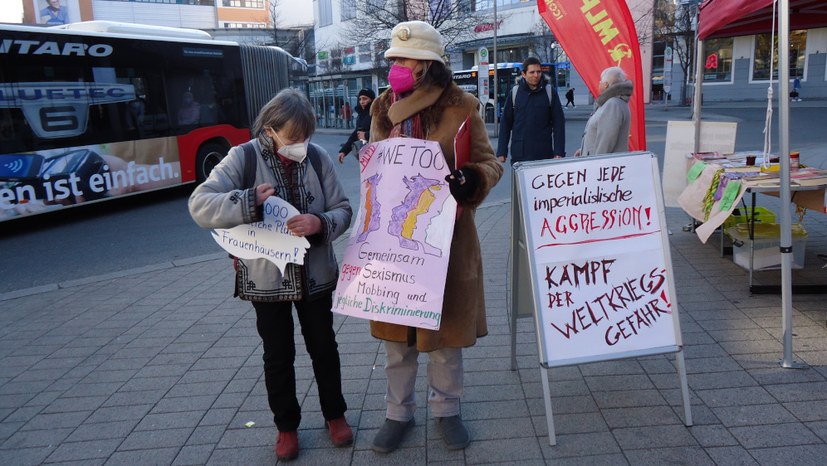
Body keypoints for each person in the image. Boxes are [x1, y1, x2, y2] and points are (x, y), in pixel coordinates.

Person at [188, 89, 354, 461]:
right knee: (277, 355)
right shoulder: (242, 157)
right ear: (270, 129)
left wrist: (319, 222)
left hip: (316, 275)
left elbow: (343, 209)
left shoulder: (317, 156)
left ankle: (335, 415)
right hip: (266, 279)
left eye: (305, 136)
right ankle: (286, 426)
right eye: (293, 137)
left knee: (324, 348)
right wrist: (249, 200)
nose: (301, 145)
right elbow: (200, 204)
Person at [368, 20, 503, 454]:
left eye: (404, 59)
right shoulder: (382, 107)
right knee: (396, 340)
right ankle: (398, 414)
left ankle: (446, 410)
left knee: (444, 339)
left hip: (446, 243)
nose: (396, 66)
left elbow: (489, 162)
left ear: (428, 64)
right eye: (393, 59)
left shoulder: (461, 105)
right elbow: (375, 166)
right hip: (394, 242)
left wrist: (471, 180)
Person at [496, 56, 566, 164]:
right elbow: (505, 123)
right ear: (524, 74)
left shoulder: (549, 92)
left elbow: (559, 123)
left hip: (544, 154)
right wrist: (501, 151)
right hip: (520, 155)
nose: (536, 75)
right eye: (532, 72)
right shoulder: (515, 93)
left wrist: (559, 152)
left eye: (539, 72)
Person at [576, 66, 633, 157]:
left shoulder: (613, 105)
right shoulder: (613, 102)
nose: (599, 83)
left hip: (602, 166)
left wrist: (595, 163)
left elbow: (605, 142)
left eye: (601, 81)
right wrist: (584, 150)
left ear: (606, 84)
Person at [337, 89, 375, 163]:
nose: (362, 101)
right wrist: (344, 151)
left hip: (377, 152)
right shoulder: (361, 115)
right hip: (366, 153)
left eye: (365, 99)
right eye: (360, 99)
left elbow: (384, 133)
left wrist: (366, 135)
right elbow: (355, 135)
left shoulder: (377, 114)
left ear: (371, 100)